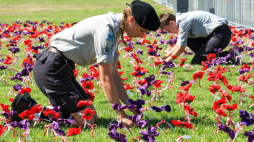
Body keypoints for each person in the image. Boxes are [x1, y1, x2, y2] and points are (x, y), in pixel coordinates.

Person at [32, 0, 160, 127]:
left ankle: (55, 110)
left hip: (62, 67)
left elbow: (115, 74)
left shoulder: (115, 28)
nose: (142, 36)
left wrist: (128, 103)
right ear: (131, 20)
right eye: (142, 30)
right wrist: (122, 115)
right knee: (86, 121)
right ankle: (31, 112)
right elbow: (105, 79)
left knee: (92, 115)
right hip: (51, 68)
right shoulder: (107, 30)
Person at [159, 11, 242, 65]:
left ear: (171, 23)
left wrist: (167, 62)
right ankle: (204, 55)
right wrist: (166, 57)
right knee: (188, 40)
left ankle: (231, 55)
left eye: (167, 29)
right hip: (216, 34)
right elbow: (179, 43)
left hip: (221, 34)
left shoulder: (183, 22)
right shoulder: (181, 20)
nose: (168, 32)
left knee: (197, 61)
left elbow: (181, 48)